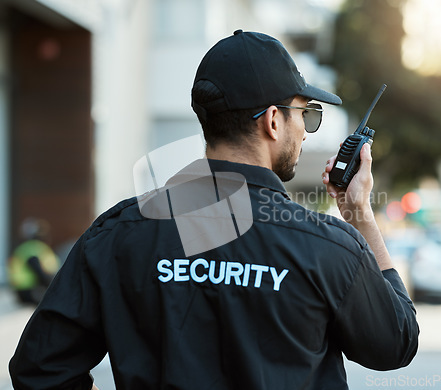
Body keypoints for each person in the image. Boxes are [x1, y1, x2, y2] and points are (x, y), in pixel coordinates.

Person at [10, 30, 418, 390]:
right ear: (273, 121)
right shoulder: (328, 247)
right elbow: (396, 342)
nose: (304, 132)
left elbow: (39, 370)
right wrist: (360, 214)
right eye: (305, 114)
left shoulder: (117, 234)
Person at [7, 218, 60, 305]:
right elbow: (38, 272)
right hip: (31, 290)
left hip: (22, 291)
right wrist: (55, 287)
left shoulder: (25, 247)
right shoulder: (35, 248)